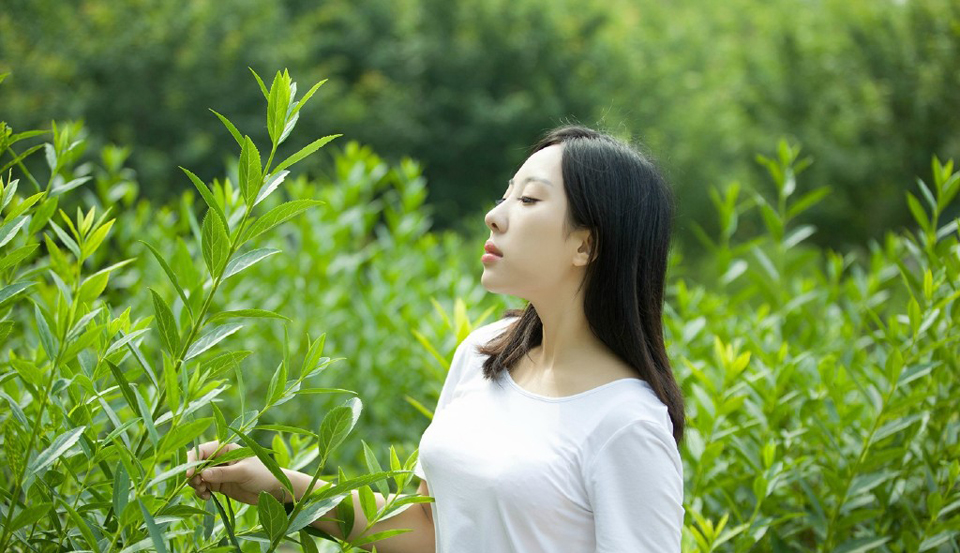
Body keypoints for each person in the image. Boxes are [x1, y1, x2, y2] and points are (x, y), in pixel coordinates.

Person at [186, 124, 686, 552]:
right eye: (506, 194)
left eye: (529, 199)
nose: (496, 214)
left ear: (586, 244)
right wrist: (276, 484)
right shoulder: (484, 353)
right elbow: (427, 532)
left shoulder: (626, 424)